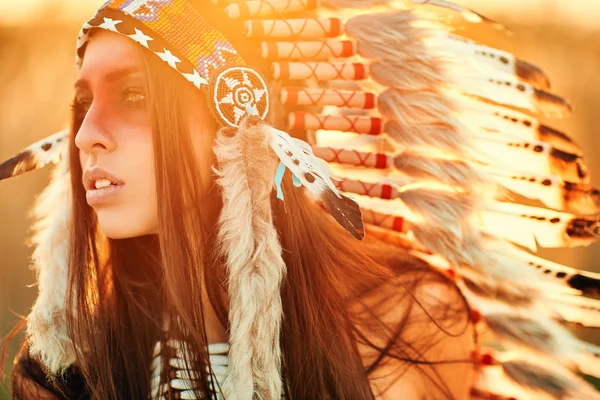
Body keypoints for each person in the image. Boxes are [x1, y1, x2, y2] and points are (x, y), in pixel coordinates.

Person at [1, 1, 599, 399]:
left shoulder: (406, 321)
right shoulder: (68, 366)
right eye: (82, 105)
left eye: (134, 94)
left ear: (233, 128)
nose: (86, 134)